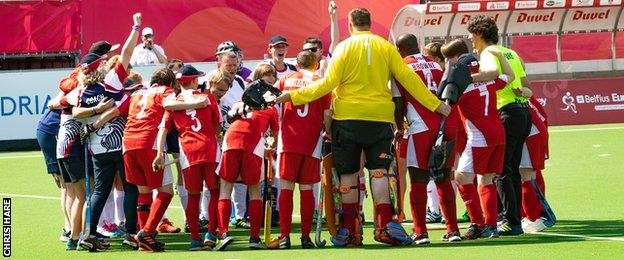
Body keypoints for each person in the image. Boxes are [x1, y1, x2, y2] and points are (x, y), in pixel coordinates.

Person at [277, 8, 451, 247]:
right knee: (379, 171)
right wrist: (436, 104)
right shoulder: (386, 47)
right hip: (379, 119)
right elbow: (408, 79)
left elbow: (328, 83)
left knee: (348, 172)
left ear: (350, 25)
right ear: (370, 24)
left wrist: (294, 97)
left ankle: (350, 230)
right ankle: (385, 225)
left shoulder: (343, 48)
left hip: (347, 118)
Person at [467, 14, 535, 236]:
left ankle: (509, 220)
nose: (469, 38)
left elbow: (492, 73)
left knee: (501, 169)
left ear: (478, 34)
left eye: (471, 34)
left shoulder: (488, 52)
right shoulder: (510, 52)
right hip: (523, 111)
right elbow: (526, 85)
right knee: (511, 168)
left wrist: (466, 78)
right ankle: (515, 219)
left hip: (506, 111)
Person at [441, 39, 515, 240]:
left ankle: (477, 223)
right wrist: (500, 57)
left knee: (462, 177)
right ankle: (490, 226)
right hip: (498, 133)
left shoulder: (462, 86)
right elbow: (510, 76)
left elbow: (445, 106)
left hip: (479, 137)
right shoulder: (491, 80)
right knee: (486, 178)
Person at [392, 33, 460, 244]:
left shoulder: (400, 67)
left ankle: (420, 232)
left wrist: (398, 128)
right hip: (447, 123)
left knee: (418, 179)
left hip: (421, 126)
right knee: (443, 177)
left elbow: (398, 102)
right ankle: (453, 230)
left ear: (399, 50)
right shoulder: (435, 63)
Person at [153, 65, 221, 251]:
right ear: (194, 80)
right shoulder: (208, 98)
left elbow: (163, 130)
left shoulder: (174, 103)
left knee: (193, 195)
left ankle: (195, 239)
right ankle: (212, 233)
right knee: (215, 191)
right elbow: (217, 127)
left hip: (188, 153)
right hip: (210, 149)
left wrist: (159, 153)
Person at [267, 52, 331, 249]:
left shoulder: (286, 79)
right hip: (311, 142)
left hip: (288, 140)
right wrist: (328, 132)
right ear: (316, 64)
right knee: (306, 189)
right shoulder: (322, 82)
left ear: (296, 63)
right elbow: (327, 113)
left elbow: (269, 101)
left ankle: (285, 236)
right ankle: (305, 237)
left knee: (286, 187)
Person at [215, 65, 279, 251]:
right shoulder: (271, 108)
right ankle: (253, 238)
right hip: (251, 144)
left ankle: (224, 234)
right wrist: (271, 149)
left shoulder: (239, 102)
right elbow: (274, 136)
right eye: (268, 83)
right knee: (254, 190)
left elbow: (229, 120)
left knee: (226, 188)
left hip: (231, 141)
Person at [36, 107, 72, 242]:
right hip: (51, 135)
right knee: (66, 186)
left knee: (67, 186)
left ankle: (69, 228)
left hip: (49, 133)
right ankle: (68, 230)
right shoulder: (75, 90)